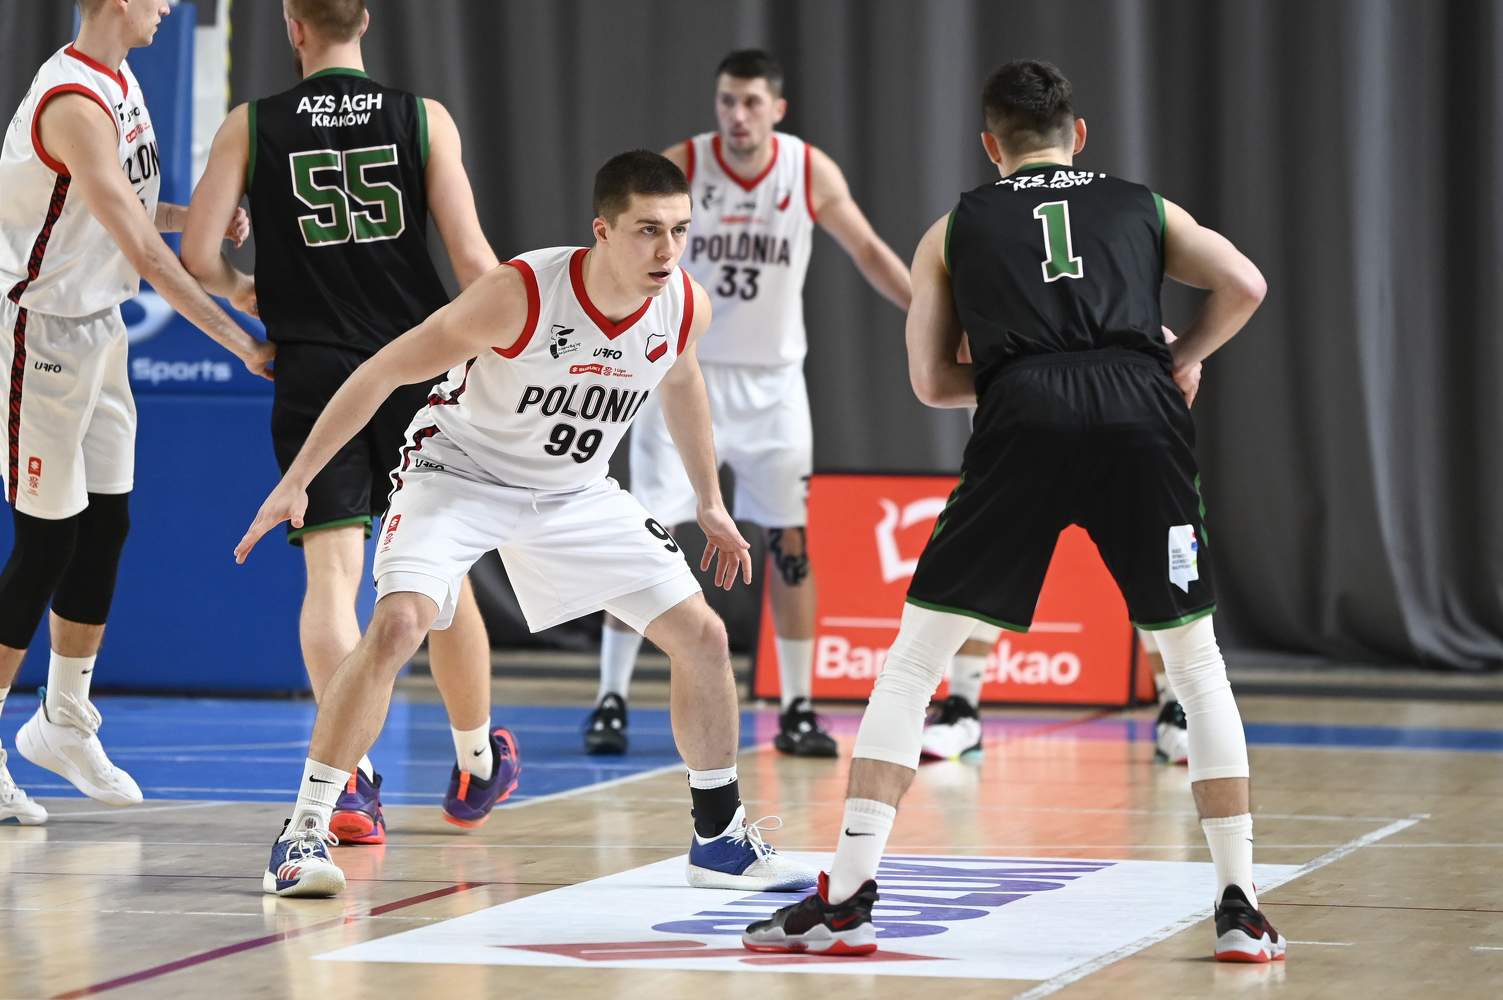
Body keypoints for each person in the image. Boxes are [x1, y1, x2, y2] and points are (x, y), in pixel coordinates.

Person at [743, 60, 1281, 964]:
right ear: (1079, 135)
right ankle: (1239, 905)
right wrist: (1177, 358)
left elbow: (928, 381)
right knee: (1194, 662)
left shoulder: (953, 227)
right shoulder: (1142, 206)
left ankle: (848, 898)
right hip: (1139, 412)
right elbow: (1246, 285)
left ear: (990, 146)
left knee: (913, 663)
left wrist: (1013, 378)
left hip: (1021, 412)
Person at [236, 149, 817, 899]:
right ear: (602, 231)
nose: (667, 250)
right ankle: (303, 832)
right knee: (400, 623)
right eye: (647, 230)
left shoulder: (682, 304)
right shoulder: (521, 295)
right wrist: (298, 479)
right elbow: (383, 370)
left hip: (573, 492)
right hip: (458, 474)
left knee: (702, 636)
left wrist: (709, 499)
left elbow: (681, 379)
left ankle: (719, 840)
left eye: (679, 230)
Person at [181, 0, 513, 843]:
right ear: (363, 19)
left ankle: (352, 782)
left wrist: (244, 291)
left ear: (292, 27)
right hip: (414, 364)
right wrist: (516, 348)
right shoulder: (422, 118)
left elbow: (197, 256)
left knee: (331, 579)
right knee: (442, 575)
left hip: (315, 372)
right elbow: (473, 260)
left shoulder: (250, 125)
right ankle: (476, 760)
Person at [585, 49, 912, 759]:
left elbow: (866, 248)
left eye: (751, 102)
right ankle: (610, 698)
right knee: (644, 533)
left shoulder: (807, 170)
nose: (737, 115)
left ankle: (798, 707)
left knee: (790, 545)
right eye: (727, 101)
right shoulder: (684, 166)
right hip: (683, 372)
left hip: (773, 385)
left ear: (777, 109)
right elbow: (621, 250)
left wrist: (927, 312)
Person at [0, 0, 274, 825]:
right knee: (45, 541)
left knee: (106, 523)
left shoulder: (120, 80)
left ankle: (63, 720)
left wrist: (196, 218)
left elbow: (122, 206)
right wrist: (239, 335)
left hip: (100, 326)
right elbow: (144, 253)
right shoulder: (73, 103)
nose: (168, 6)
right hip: (39, 332)